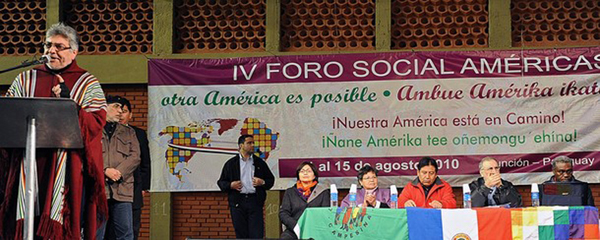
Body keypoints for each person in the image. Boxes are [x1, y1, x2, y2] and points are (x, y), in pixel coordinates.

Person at [0, 22, 108, 240]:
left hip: (66, 165)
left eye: (59, 46)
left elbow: (96, 123)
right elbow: (8, 116)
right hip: (26, 161)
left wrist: (71, 104)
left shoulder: (88, 83)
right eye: (48, 45)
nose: (52, 51)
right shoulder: (25, 79)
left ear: (74, 52)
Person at [217, 134, 275, 239]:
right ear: (241, 145)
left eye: (253, 143)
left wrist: (262, 182)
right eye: (249, 143)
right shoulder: (231, 164)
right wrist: (231, 185)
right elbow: (221, 183)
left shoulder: (259, 163)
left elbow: (270, 180)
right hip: (237, 202)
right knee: (241, 233)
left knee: (257, 233)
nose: (253, 145)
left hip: (255, 201)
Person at [100, 95, 141, 240]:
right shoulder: (94, 130)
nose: (120, 111)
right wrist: (105, 170)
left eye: (122, 108)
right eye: (115, 107)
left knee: (125, 233)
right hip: (99, 189)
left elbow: (135, 156)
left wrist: (118, 172)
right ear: (104, 108)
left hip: (122, 189)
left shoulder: (128, 132)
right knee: (96, 232)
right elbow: (88, 156)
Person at [118, 97, 151, 240]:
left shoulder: (139, 134)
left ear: (130, 115)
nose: (120, 114)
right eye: (118, 110)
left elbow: (145, 162)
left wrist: (144, 187)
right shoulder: (104, 131)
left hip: (134, 186)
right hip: (112, 186)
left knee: (132, 226)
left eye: (124, 111)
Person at [279, 162, 330, 239]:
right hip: (294, 229)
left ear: (314, 176)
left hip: (316, 229)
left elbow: (326, 213)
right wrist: (295, 225)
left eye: (309, 171)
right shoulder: (290, 192)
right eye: (302, 171)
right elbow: (283, 213)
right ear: (298, 175)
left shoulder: (323, 192)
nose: (305, 173)